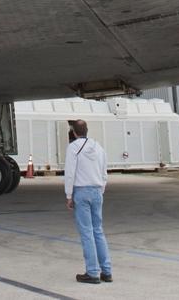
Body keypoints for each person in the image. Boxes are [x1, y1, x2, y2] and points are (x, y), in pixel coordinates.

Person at [63, 120, 112, 284]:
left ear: (74, 132)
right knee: (98, 230)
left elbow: (70, 173)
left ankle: (92, 272)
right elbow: (104, 171)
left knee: (86, 233)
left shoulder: (73, 148)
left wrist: (69, 195)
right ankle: (107, 271)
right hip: (97, 191)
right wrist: (101, 188)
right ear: (87, 130)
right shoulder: (98, 147)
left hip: (81, 191)